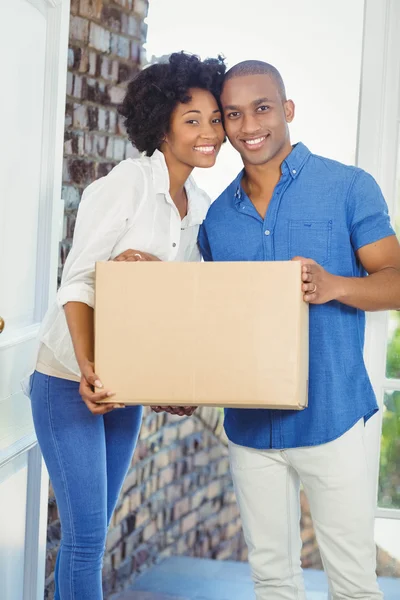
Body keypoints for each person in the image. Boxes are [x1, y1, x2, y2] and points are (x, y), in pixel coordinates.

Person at [198, 60, 400, 599]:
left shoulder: (348, 186)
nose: (248, 126)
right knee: (272, 581)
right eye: (233, 114)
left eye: (261, 108)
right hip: (249, 426)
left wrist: (335, 285)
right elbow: (210, 318)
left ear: (286, 110)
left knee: (354, 584)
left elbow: (396, 280)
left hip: (330, 418)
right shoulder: (216, 218)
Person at [29, 51, 226, 600]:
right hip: (71, 379)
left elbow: (174, 310)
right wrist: (91, 371)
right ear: (161, 126)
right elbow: (78, 284)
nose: (210, 133)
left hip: (127, 387)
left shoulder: (201, 209)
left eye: (215, 120)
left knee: (95, 531)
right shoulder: (127, 186)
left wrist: (167, 386)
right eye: (193, 121)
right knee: (88, 537)